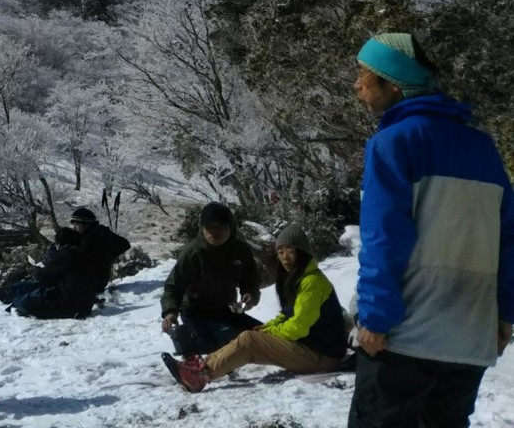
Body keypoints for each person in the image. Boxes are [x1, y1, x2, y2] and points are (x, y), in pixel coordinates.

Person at [347, 32, 514, 428]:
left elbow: (384, 237)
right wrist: (505, 314)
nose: (357, 84)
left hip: (406, 335)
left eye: (364, 75)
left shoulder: (393, 142)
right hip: (469, 335)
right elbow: (509, 239)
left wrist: (374, 318)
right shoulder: (483, 148)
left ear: (392, 84)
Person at [162, 223, 348, 392]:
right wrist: (267, 328)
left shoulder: (312, 282)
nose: (285, 257)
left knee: (249, 340)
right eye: (280, 251)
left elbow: (298, 327)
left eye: (291, 251)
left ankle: (199, 375)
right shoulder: (297, 279)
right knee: (250, 335)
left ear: (302, 252)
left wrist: (269, 334)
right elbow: (287, 316)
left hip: (322, 357)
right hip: (313, 349)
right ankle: (202, 367)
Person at [160, 201, 261, 356]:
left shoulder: (240, 250)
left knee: (261, 334)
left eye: (222, 227)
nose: (216, 232)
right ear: (202, 228)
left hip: (227, 309)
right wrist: (170, 311)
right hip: (195, 311)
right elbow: (174, 285)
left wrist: (250, 294)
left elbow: (250, 279)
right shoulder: (192, 252)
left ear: (230, 228)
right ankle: (186, 338)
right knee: (216, 348)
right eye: (211, 228)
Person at [10, 208, 129, 320]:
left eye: (76, 224)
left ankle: (12, 295)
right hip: (93, 283)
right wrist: (108, 256)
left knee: (43, 287)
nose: (74, 227)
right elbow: (125, 244)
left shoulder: (85, 243)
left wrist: (56, 259)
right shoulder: (102, 233)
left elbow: (52, 273)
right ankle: (12, 293)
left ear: (86, 224)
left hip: (88, 288)